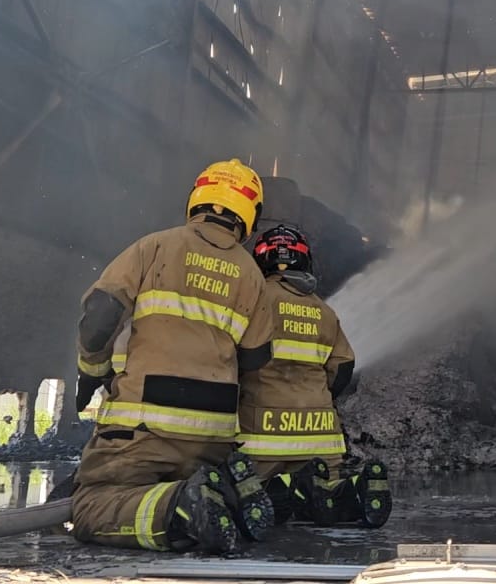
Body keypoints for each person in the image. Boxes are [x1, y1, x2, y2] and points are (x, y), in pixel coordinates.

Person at [69, 159, 280, 553]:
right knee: (200, 496)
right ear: (249, 214)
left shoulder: (156, 246)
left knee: (90, 507)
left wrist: (90, 371)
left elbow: (99, 315)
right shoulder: (251, 274)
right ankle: (223, 494)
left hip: (144, 427)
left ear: (197, 197)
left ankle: (181, 507)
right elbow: (255, 361)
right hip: (213, 439)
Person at [237, 225, 391, 527]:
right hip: (321, 440)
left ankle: (275, 489)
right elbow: (343, 369)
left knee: (243, 489)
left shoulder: (252, 300)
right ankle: (352, 493)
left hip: (261, 441)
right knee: (325, 490)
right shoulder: (325, 311)